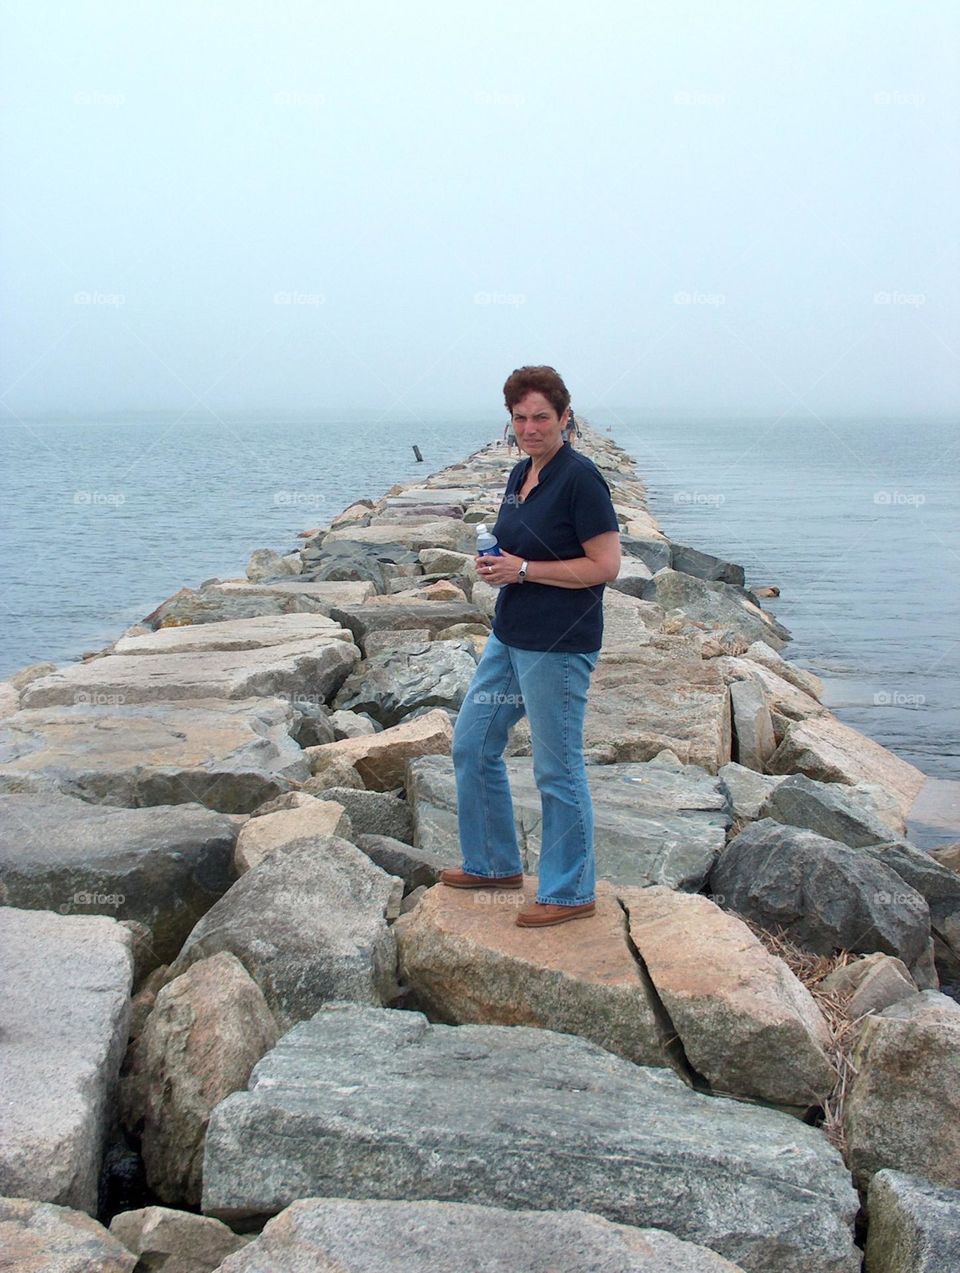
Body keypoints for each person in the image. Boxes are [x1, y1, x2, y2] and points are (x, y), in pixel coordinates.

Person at [439, 366, 621, 927]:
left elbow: (605, 566)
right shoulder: (521, 473)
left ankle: (569, 891)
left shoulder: (580, 479)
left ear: (566, 418)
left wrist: (522, 569)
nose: (530, 427)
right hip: (510, 636)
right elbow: (517, 556)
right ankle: (493, 863)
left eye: (542, 416)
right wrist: (499, 565)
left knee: (557, 766)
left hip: (558, 646)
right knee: (472, 744)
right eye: (520, 417)